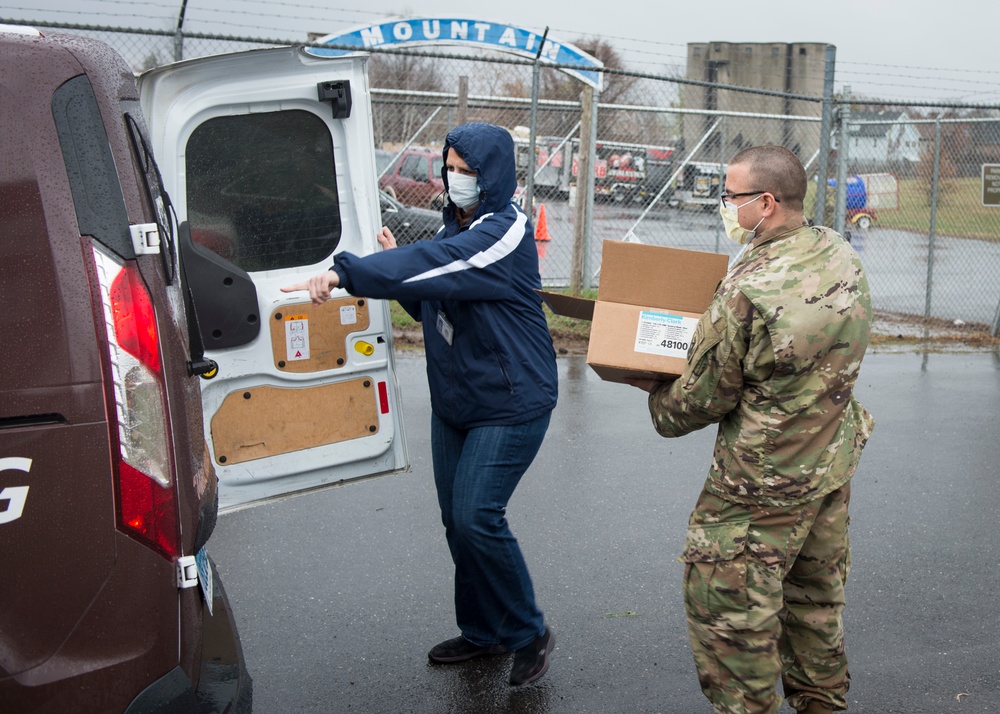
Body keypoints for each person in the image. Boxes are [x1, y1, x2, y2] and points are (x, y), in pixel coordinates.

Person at [282, 122, 558, 687]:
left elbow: (441, 266)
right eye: (450, 168)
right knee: (456, 524)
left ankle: (529, 632)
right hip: (457, 401)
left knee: (477, 515)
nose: (456, 179)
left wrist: (348, 272)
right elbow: (432, 303)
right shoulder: (453, 227)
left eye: (468, 170)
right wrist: (406, 272)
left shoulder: (504, 232)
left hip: (511, 401)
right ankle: (483, 631)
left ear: (495, 175)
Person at [627, 146, 874, 714]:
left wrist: (653, 392)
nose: (724, 206)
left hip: (758, 487)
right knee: (814, 609)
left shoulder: (749, 286)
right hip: (828, 467)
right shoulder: (836, 251)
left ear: (766, 202)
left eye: (730, 196)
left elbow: (698, 400)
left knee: (731, 623)